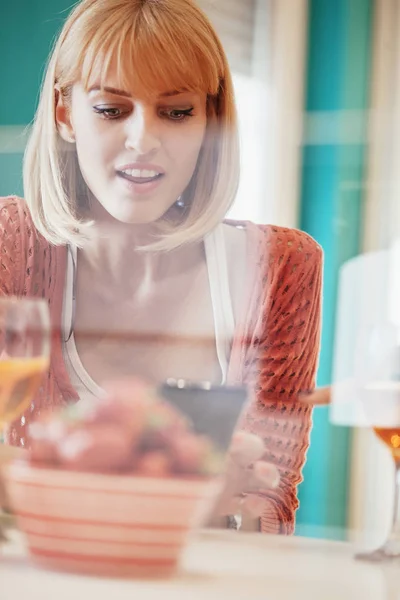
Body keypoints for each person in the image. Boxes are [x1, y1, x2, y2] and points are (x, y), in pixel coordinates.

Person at [0, 0, 322, 533]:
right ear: (65, 114)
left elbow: (272, 501)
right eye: (111, 110)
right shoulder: (10, 246)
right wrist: (176, 496)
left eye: (176, 112)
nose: (143, 140)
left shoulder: (283, 268)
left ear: (209, 120)